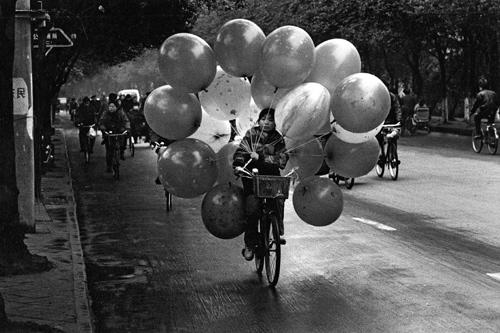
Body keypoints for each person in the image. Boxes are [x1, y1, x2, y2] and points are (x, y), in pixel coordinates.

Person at [232, 108, 288, 261]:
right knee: (252, 209)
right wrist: (238, 164)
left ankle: (276, 233)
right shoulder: (251, 134)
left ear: (275, 122)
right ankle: (250, 244)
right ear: (259, 120)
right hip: (252, 176)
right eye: (264, 119)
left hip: (271, 177)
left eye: (271, 120)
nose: (267, 122)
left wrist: (262, 157)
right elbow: (241, 151)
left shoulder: (278, 138)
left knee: (277, 202)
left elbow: (282, 159)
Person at [99, 101, 130, 172]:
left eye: (113, 106)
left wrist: (127, 129)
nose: (111, 108)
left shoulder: (121, 113)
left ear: (116, 107)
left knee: (121, 145)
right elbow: (101, 122)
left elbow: (126, 121)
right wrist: (104, 129)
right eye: (110, 106)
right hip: (108, 133)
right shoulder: (105, 113)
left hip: (119, 132)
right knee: (109, 150)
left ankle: (121, 154)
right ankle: (109, 165)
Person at [376, 85, 402, 165]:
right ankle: (382, 154)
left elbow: (398, 109)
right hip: (381, 122)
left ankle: (393, 156)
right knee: (379, 137)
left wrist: (399, 120)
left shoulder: (392, 97)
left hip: (392, 121)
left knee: (394, 138)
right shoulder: (377, 97)